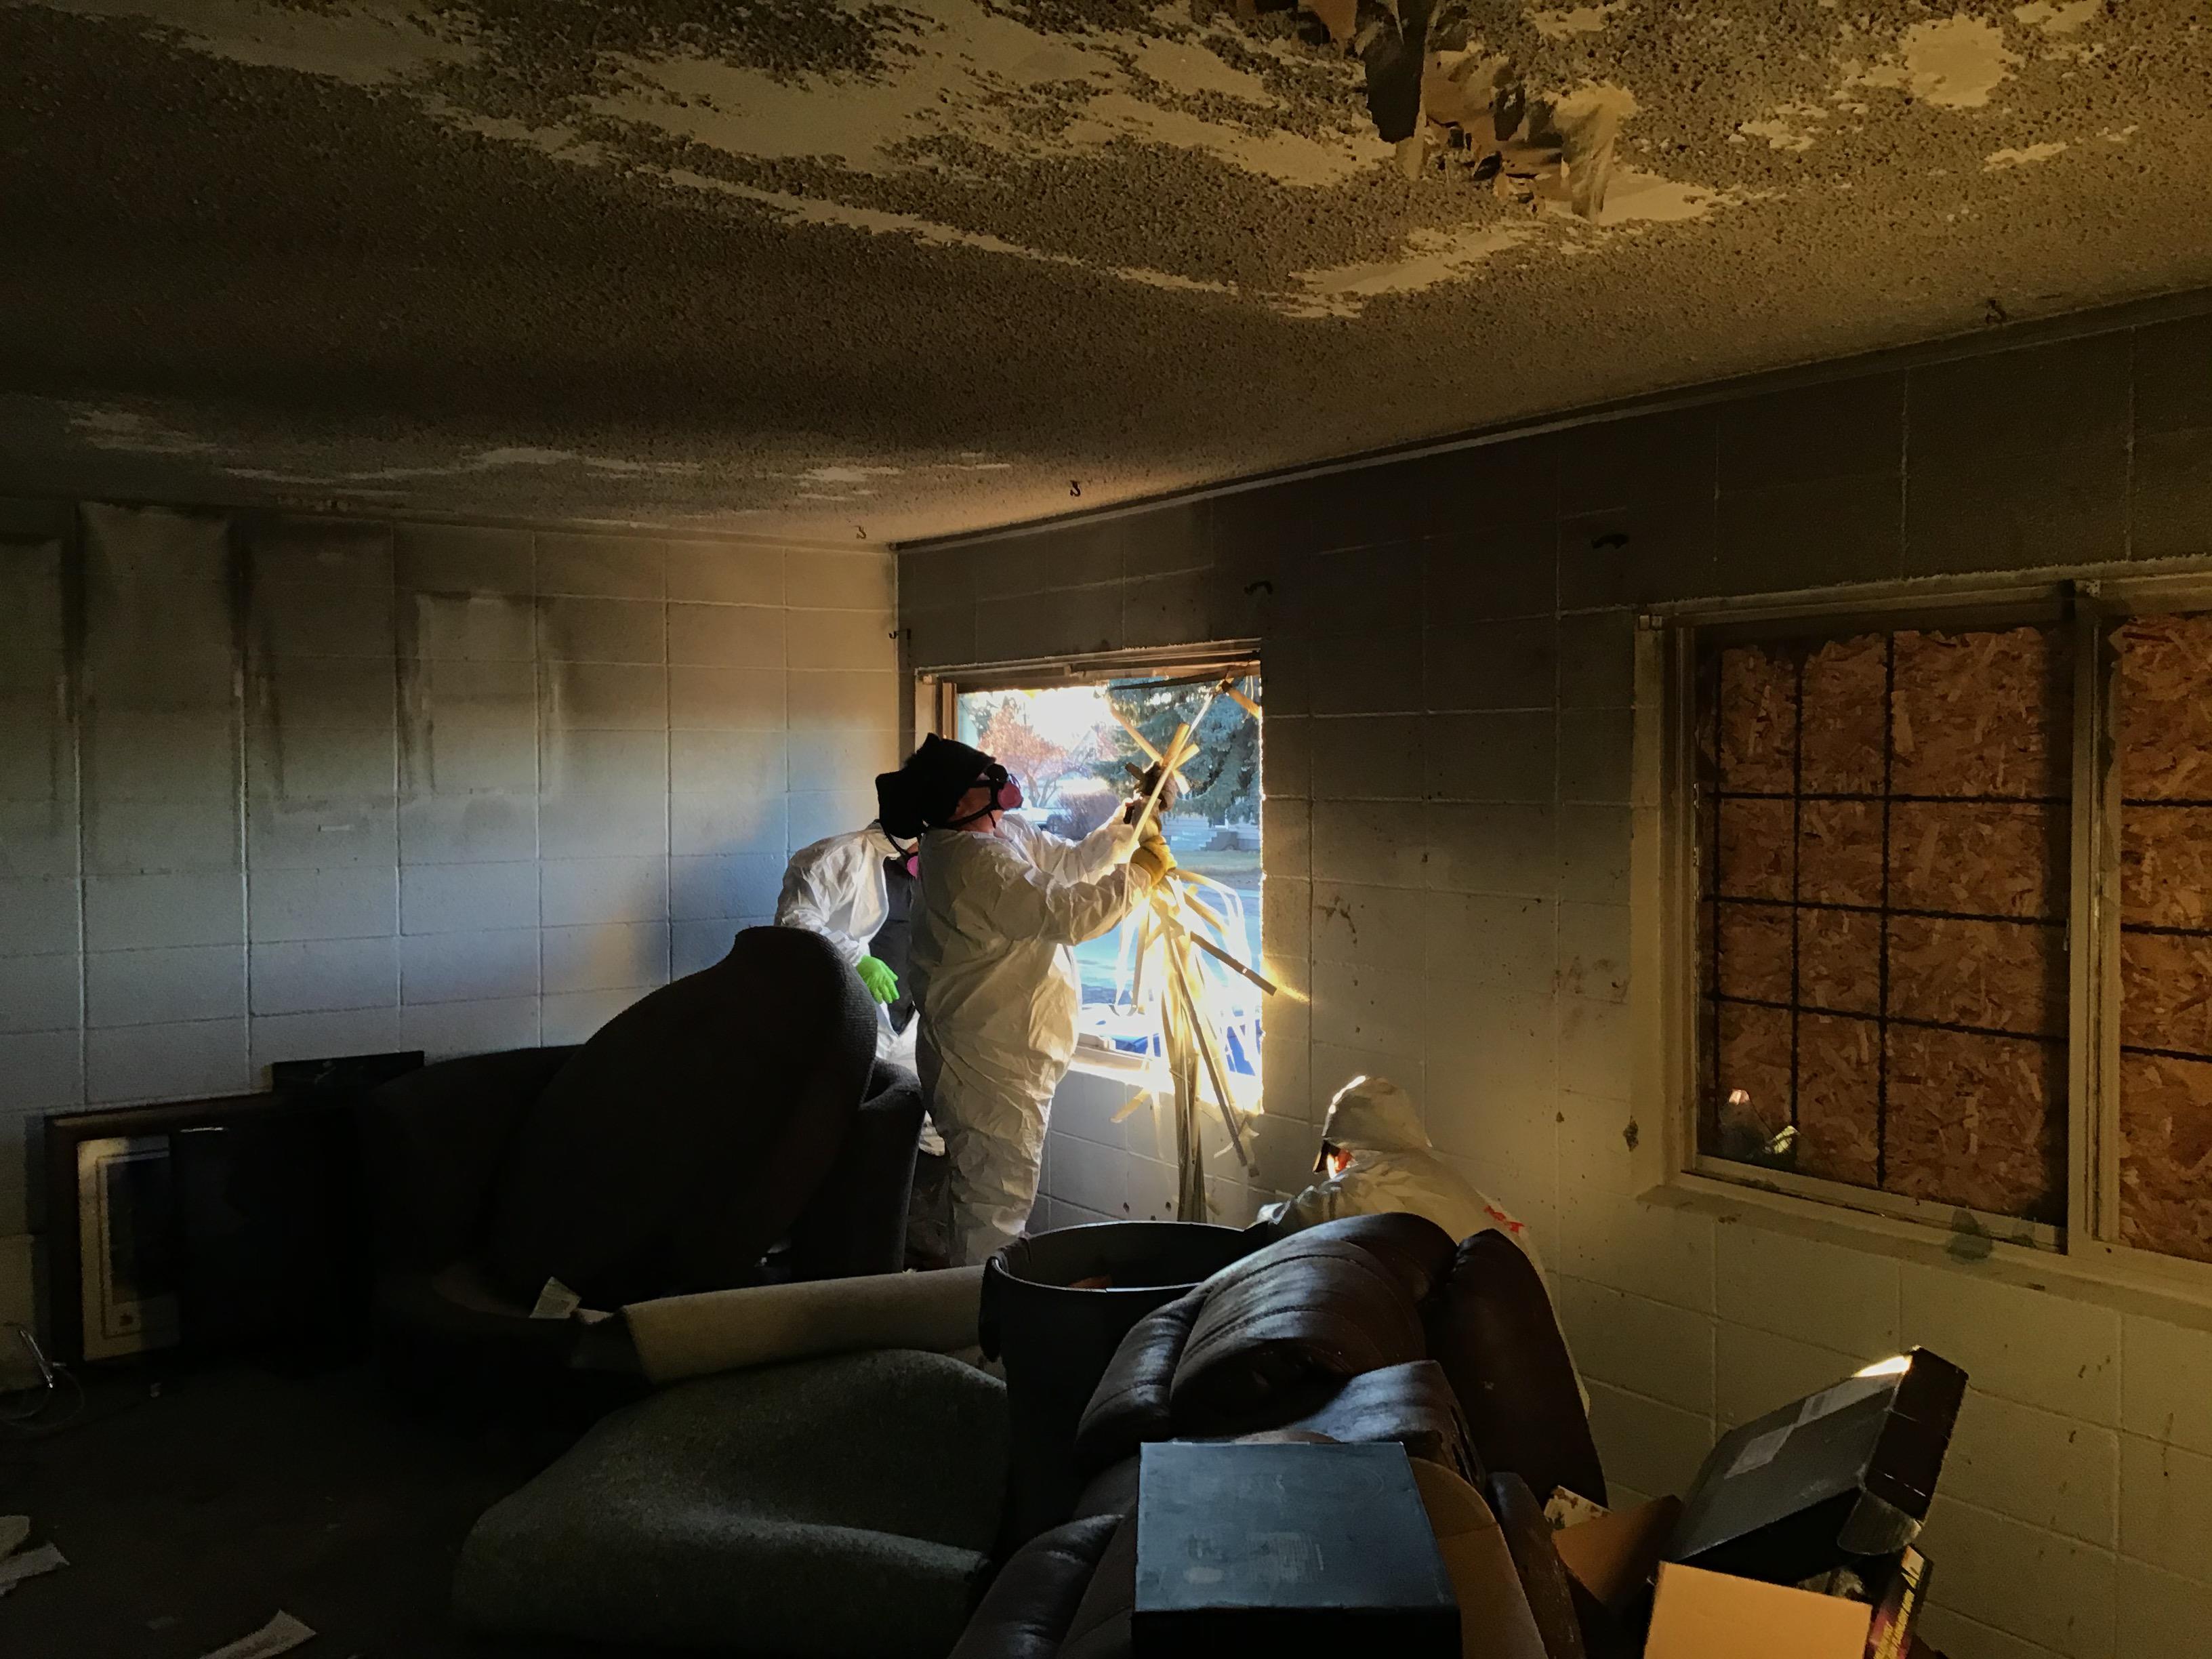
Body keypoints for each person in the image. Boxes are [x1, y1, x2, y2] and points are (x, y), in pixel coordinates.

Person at [878, 734, 1175, 1265]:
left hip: (1002, 1058)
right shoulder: (971, 863)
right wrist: (1141, 876)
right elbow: (1068, 914)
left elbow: (1070, 864)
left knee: (986, 1200)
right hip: (986, 1069)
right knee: (993, 1213)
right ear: (959, 801)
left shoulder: (1001, 834)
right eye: (988, 777)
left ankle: (967, 1299)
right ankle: (976, 1314)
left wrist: (1133, 819)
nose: (1003, 782)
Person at [1259, 1075, 1555, 1290]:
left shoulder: (1362, 1187)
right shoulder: (1456, 1187)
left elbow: (1277, 1228)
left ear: (1342, 1153)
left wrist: (1264, 1213)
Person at [775, 819, 920, 1071]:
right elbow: (793, 922)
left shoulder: (939, 867)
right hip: (846, 1022)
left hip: (911, 1029)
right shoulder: (838, 856)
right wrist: (854, 959)